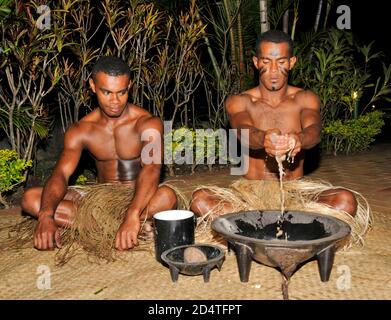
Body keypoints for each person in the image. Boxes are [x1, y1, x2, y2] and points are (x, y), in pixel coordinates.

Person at [190, 30, 371, 244]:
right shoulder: (240, 101)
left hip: (295, 195)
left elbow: (314, 130)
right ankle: (289, 232)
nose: (274, 71)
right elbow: (242, 130)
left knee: (345, 201)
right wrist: (263, 139)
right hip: (250, 196)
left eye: (281, 62)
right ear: (256, 62)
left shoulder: (305, 98)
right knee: (200, 200)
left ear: (292, 62)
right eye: (267, 61)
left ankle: (254, 232)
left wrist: (299, 140)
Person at [21, 56, 177, 253]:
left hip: (140, 196)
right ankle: (131, 226)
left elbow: (152, 169)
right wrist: (45, 216)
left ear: (130, 86)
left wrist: (132, 212)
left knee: (167, 196)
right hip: (100, 198)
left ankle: (118, 224)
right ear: (93, 86)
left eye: (122, 92)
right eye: (107, 92)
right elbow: (61, 173)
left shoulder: (147, 123)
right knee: (31, 198)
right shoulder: (81, 130)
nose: (115, 101)